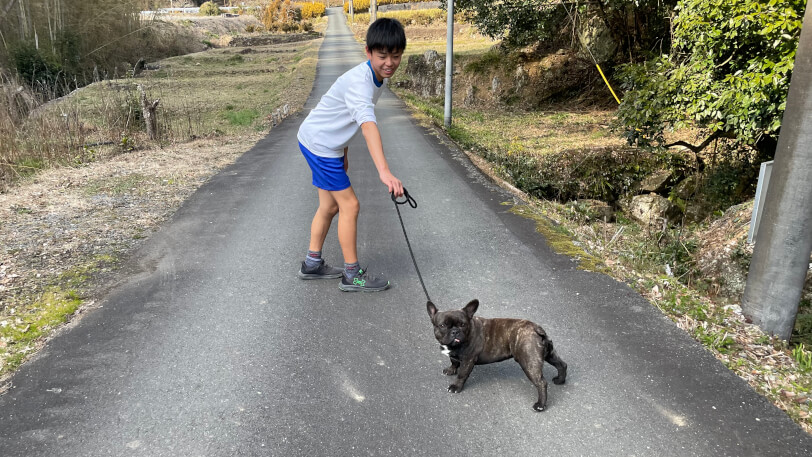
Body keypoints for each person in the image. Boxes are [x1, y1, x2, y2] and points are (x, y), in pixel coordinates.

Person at [296, 18, 406, 292]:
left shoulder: (375, 77)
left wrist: (343, 151)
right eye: (382, 56)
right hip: (320, 145)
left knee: (330, 206)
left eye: (395, 55)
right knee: (350, 206)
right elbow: (367, 125)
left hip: (322, 143)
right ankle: (351, 274)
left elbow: (343, 117)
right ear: (368, 52)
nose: (389, 63)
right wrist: (384, 171)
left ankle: (312, 263)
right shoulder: (361, 83)